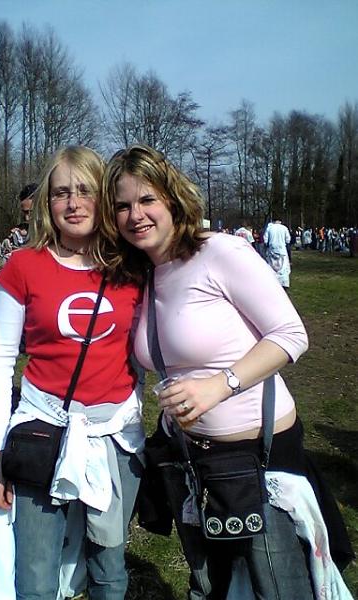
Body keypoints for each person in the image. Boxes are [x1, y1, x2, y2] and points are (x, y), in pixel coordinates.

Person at [99, 144, 354, 600]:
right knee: (213, 587)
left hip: (260, 460)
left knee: (278, 590)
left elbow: (290, 334)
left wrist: (220, 386)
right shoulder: (146, 274)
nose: (135, 214)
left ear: (172, 198)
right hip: (193, 462)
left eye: (147, 199)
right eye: (122, 205)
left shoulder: (220, 252)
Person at [0, 146, 144, 599]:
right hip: (43, 432)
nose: (73, 203)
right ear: (47, 203)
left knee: (109, 568)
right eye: (60, 193)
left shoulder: (131, 267)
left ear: (103, 197)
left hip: (115, 436)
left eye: (84, 190)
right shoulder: (24, 265)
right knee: (36, 575)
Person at [263, 217, 291, 288]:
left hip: (272, 250)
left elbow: (265, 240)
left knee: (272, 268)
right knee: (283, 268)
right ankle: (284, 283)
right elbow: (288, 240)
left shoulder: (269, 228)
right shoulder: (284, 228)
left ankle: (272, 283)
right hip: (282, 250)